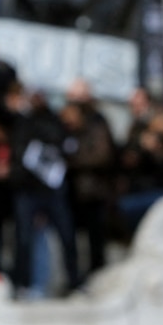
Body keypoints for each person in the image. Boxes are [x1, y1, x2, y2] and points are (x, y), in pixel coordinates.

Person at [6, 83, 80, 298]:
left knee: (67, 235)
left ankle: (73, 281)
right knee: (23, 239)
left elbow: (59, 141)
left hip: (51, 188)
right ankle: (23, 283)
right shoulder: (21, 120)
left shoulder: (54, 119)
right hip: (26, 189)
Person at [59, 99, 116, 278]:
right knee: (73, 238)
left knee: (96, 238)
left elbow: (101, 156)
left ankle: (98, 274)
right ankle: (76, 276)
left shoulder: (94, 129)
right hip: (73, 194)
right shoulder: (66, 134)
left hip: (93, 192)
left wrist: (72, 161)